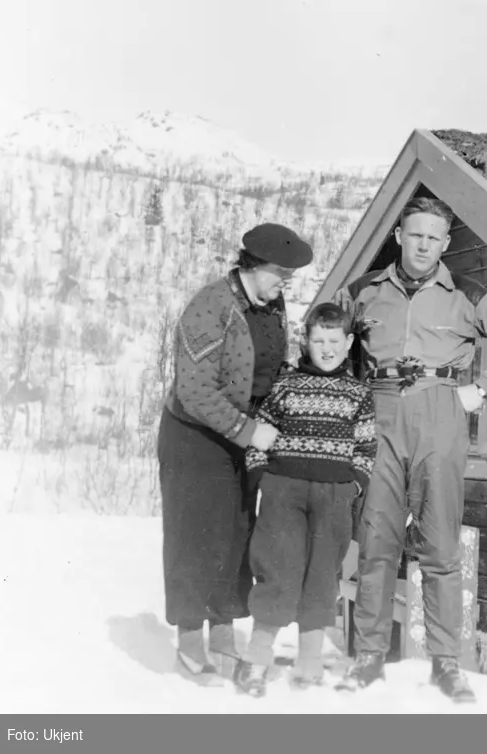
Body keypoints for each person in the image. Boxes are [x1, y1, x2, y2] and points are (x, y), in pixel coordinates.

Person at [332, 197, 487, 701]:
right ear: (400, 237)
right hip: (380, 415)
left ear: (445, 243)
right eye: (415, 234)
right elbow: (328, 347)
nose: (423, 244)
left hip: (442, 414)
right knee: (376, 541)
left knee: (440, 545)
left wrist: (482, 389)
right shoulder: (361, 293)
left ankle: (446, 662)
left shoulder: (469, 294)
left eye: (434, 236)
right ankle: (367, 656)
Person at [158, 222, 313, 686]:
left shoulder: (271, 304)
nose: (283, 285)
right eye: (279, 275)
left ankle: (222, 632)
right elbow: (195, 392)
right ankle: (188, 642)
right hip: (194, 438)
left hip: (244, 437)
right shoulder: (211, 306)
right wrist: (248, 431)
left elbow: (268, 367)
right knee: (195, 536)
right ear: (252, 265)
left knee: (235, 534)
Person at [232, 302, 377, 697]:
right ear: (306, 342)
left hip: (334, 496)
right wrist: (264, 476)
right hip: (285, 491)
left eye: (334, 341)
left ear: (349, 343)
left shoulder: (359, 394)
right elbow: (261, 435)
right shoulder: (286, 386)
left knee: (321, 576)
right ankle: (256, 661)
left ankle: (309, 663)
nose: (326, 348)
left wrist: (355, 484)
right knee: (278, 571)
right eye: (318, 340)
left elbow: (366, 446)